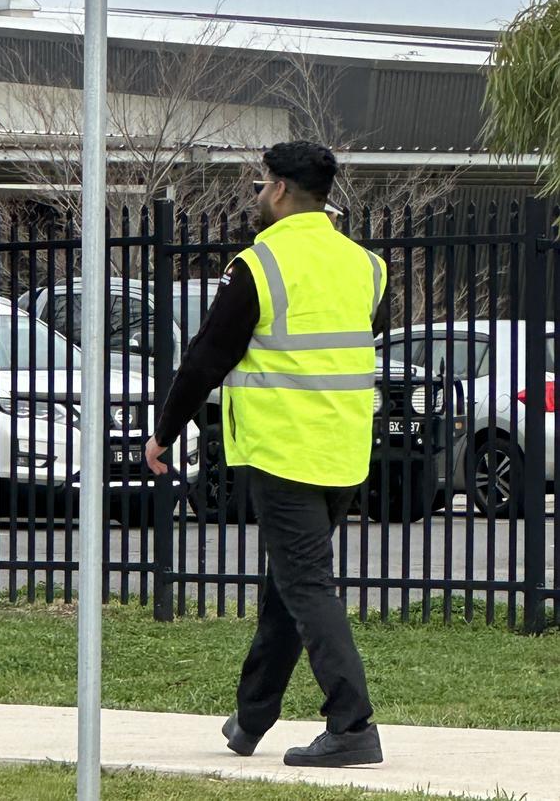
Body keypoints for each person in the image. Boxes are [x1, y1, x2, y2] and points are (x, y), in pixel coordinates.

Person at [145, 140, 388, 768]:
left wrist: (165, 432)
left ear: (279, 189)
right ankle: (251, 719)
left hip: (283, 455)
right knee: (288, 584)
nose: (256, 195)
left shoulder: (261, 265)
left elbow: (207, 357)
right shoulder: (365, 266)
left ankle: (353, 723)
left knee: (305, 584)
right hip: (344, 452)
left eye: (260, 184)